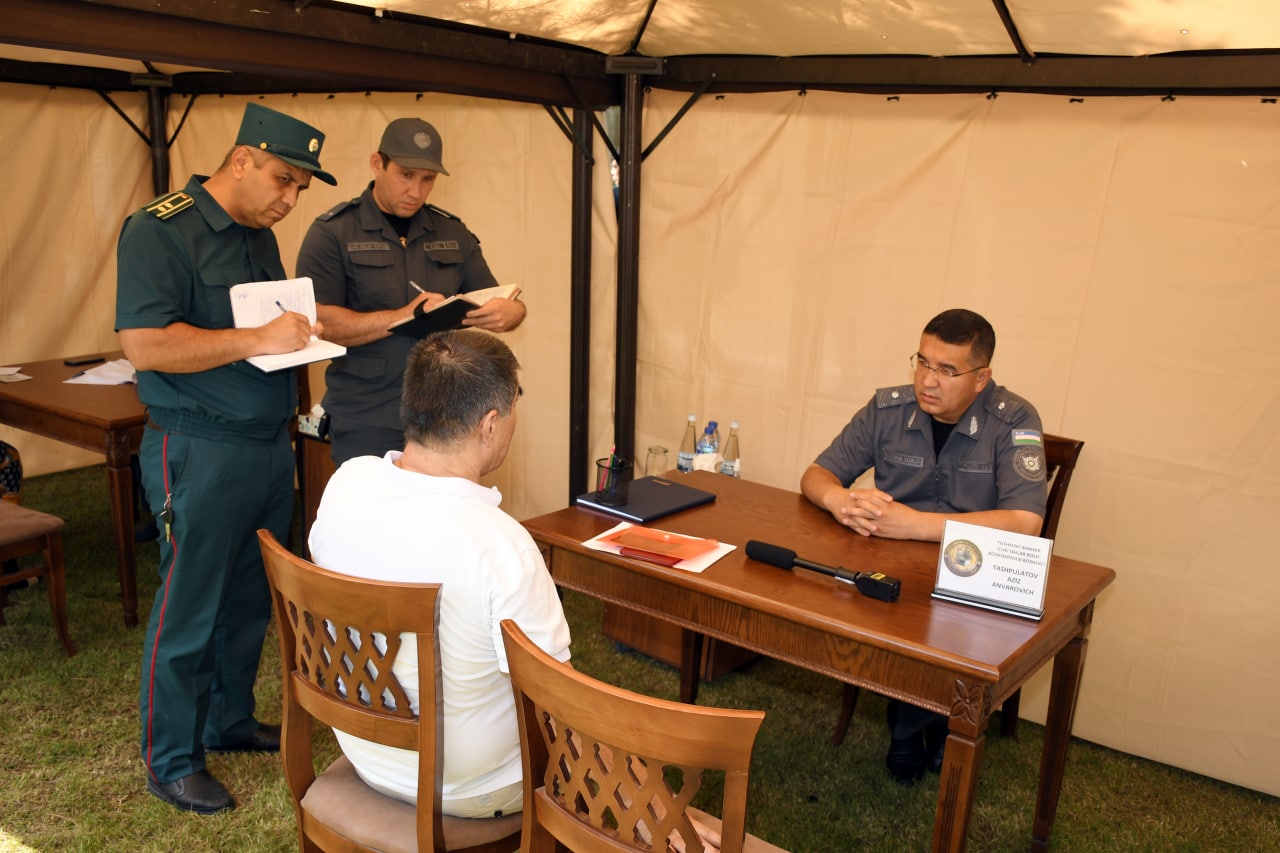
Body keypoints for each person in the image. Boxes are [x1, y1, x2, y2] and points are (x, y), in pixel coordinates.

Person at [115, 102, 336, 815]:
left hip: (268, 446)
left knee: (247, 601)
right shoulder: (159, 229)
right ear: (241, 160)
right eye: (282, 179)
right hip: (200, 446)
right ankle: (172, 757)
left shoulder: (257, 233)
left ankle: (228, 718)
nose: (289, 198)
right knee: (190, 606)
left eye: (300, 188)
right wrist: (256, 342)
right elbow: (146, 345)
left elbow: (262, 329)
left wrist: (295, 336)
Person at [307, 329, 570, 818]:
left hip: (365, 749)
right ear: (490, 425)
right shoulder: (501, 543)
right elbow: (563, 708)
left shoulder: (348, 482)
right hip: (470, 785)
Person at [800, 308, 1047, 784]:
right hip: (891, 566)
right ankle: (922, 725)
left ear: (982, 378)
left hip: (975, 571)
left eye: (947, 370)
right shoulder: (887, 408)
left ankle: (917, 727)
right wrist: (839, 501)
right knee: (878, 599)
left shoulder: (1014, 418)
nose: (928, 381)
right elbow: (817, 474)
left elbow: (1025, 523)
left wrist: (917, 525)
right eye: (923, 362)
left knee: (943, 616)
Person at [297, 117, 526, 467]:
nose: (416, 191)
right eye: (406, 175)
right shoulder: (334, 232)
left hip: (444, 416)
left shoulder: (451, 232)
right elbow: (320, 323)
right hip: (367, 414)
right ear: (378, 164)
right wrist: (405, 315)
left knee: (436, 518)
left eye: (428, 179)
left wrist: (512, 313)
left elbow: (498, 298)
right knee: (372, 519)